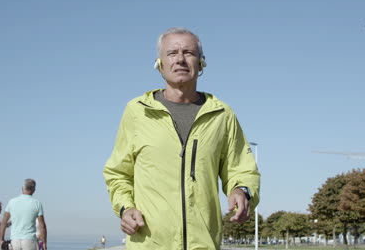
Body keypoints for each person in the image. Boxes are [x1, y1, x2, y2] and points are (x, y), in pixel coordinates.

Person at [103, 27, 260, 249]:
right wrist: (125, 208)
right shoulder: (137, 111)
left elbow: (241, 169)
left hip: (204, 244)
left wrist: (241, 191)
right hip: (148, 244)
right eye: (172, 53)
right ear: (160, 63)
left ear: (201, 62)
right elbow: (118, 172)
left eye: (188, 52)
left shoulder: (222, 114)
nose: (180, 59)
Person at [0, 179, 47, 250]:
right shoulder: (37, 203)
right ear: (34, 190)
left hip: (15, 241)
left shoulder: (12, 202)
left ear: (22, 188)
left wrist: (1, 239)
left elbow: (3, 223)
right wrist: (44, 242)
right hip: (30, 241)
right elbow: (42, 226)